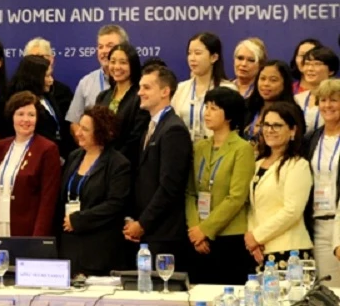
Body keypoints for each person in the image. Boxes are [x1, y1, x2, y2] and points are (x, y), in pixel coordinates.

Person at [185, 87, 255, 285]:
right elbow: (190, 192)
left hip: (229, 236)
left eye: (214, 108)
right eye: (206, 107)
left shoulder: (242, 148)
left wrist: (206, 229)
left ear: (229, 115)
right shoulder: (200, 147)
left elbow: (236, 197)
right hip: (197, 237)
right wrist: (195, 229)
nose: (207, 113)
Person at [125, 64, 193, 265]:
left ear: (165, 92)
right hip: (148, 232)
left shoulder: (173, 130)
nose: (140, 93)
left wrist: (143, 223)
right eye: (140, 87)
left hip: (164, 235)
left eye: (146, 87)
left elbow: (169, 187)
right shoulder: (152, 126)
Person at [59, 105, 130, 276]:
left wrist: (78, 220)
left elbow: (115, 204)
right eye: (79, 127)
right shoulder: (74, 157)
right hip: (69, 246)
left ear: (100, 132)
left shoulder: (118, 164)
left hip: (99, 249)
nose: (78, 133)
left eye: (85, 129)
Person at [246, 101, 313, 272]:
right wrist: (252, 238)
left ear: (293, 130)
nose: (270, 130)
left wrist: (258, 236)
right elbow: (253, 208)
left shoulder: (298, 165)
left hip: (289, 251)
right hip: (261, 251)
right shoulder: (257, 163)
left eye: (277, 125)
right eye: (266, 124)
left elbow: (292, 210)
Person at [0, 91, 61, 237]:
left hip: (28, 230)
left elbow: (48, 199)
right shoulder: (0, 147)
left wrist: (38, 237)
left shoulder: (47, 149)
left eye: (31, 115)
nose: (26, 119)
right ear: (12, 116)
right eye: (20, 114)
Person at [305, 79, 340, 286]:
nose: (328, 105)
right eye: (323, 100)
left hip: (339, 219)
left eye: (334, 100)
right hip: (318, 222)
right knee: (328, 288)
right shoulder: (311, 139)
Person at [172, 32, 237, 142]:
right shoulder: (181, 88)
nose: (192, 58)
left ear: (214, 57)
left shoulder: (228, 90)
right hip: (184, 149)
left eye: (198, 53)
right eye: (189, 53)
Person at [66, 25, 129, 134]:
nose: (104, 51)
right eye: (100, 47)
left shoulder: (138, 83)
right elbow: (74, 122)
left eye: (110, 46)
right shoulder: (86, 83)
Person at [94, 43, 149, 167]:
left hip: (126, 164)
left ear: (133, 65)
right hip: (101, 161)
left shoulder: (140, 97)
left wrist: (114, 161)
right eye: (113, 62)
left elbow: (136, 137)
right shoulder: (103, 96)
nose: (117, 67)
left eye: (123, 62)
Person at [6, 56, 69, 158]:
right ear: (34, 78)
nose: (51, 80)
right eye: (47, 76)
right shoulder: (20, 102)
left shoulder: (47, 96)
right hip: (33, 155)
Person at [244, 60, 297, 146]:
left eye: (273, 80)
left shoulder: (292, 113)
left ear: (285, 83)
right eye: (262, 79)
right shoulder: (247, 107)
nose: (266, 84)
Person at [295, 47, 339, 135]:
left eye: (317, 64)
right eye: (307, 64)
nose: (310, 69)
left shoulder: (338, 97)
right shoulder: (297, 99)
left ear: (331, 70)